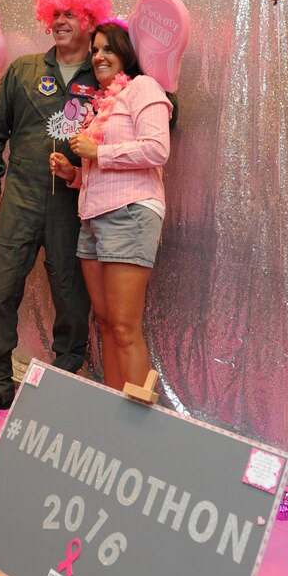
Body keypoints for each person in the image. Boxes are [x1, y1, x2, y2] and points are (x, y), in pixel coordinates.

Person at [0, 0, 113, 421]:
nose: (61, 21)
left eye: (71, 13)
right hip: (21, 198)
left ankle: (61, 385)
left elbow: (149, 104)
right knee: (0, 292)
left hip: (73, 203)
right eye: (55, 13)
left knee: (72, 298)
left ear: (89, 19)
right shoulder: (24, 70)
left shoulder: (104, 74)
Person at [50, 21, 172, 391]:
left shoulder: (143, 87)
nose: (98, 56)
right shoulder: (101, 104)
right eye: (95, 50)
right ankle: (115, 408)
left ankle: (139, 421)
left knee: (123, 326)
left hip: (129, 213)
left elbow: (157, 149)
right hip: (92, 218)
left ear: (126, 53)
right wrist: (74, 174)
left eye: (108, 49)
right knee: (104, 323)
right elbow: (102, 169)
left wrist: (97, 152)